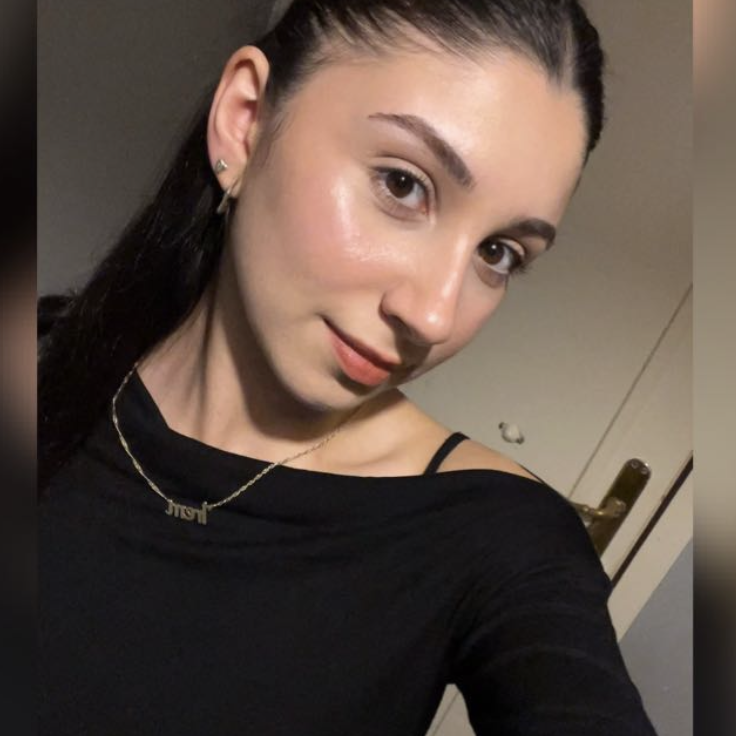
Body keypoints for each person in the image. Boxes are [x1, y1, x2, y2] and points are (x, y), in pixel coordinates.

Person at [38, 1, 659, 733]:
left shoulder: (500, 536)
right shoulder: (50, 357)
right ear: (246, 121)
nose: (434, 316)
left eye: (498, 253)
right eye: (403, 184)